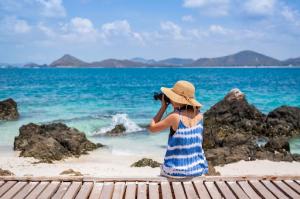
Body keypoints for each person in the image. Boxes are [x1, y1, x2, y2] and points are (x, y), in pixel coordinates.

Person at [148, 80, 208, 178]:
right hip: (198, 169)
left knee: (162, 169)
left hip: (176, 171)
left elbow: (152, 128)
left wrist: (163, 107)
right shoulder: (199, 115)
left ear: (176, 99)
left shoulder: (175, 117)